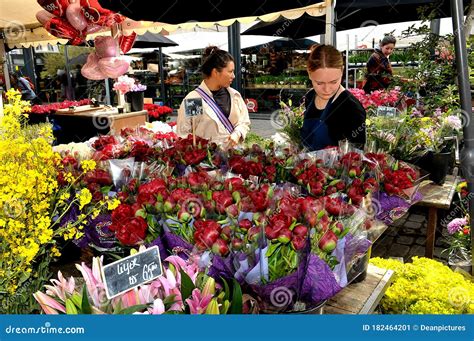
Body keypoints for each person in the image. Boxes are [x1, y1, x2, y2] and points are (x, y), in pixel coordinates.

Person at [177, 46, 250, 147]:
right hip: (206, 160)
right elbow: (183, 134)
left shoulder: (235, 95)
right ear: (215, 72)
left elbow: (244, 122)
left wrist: (237, 133)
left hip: (234, 157)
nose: (233, 76)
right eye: (230, 71)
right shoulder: (194, 100)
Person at [301, 45, 366, 151]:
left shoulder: (351, 108)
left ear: (342, 71)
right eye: (319, 83)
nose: (327, 89)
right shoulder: (310, 97)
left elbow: (355, 157)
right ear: (309, 73)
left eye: (333, 82)